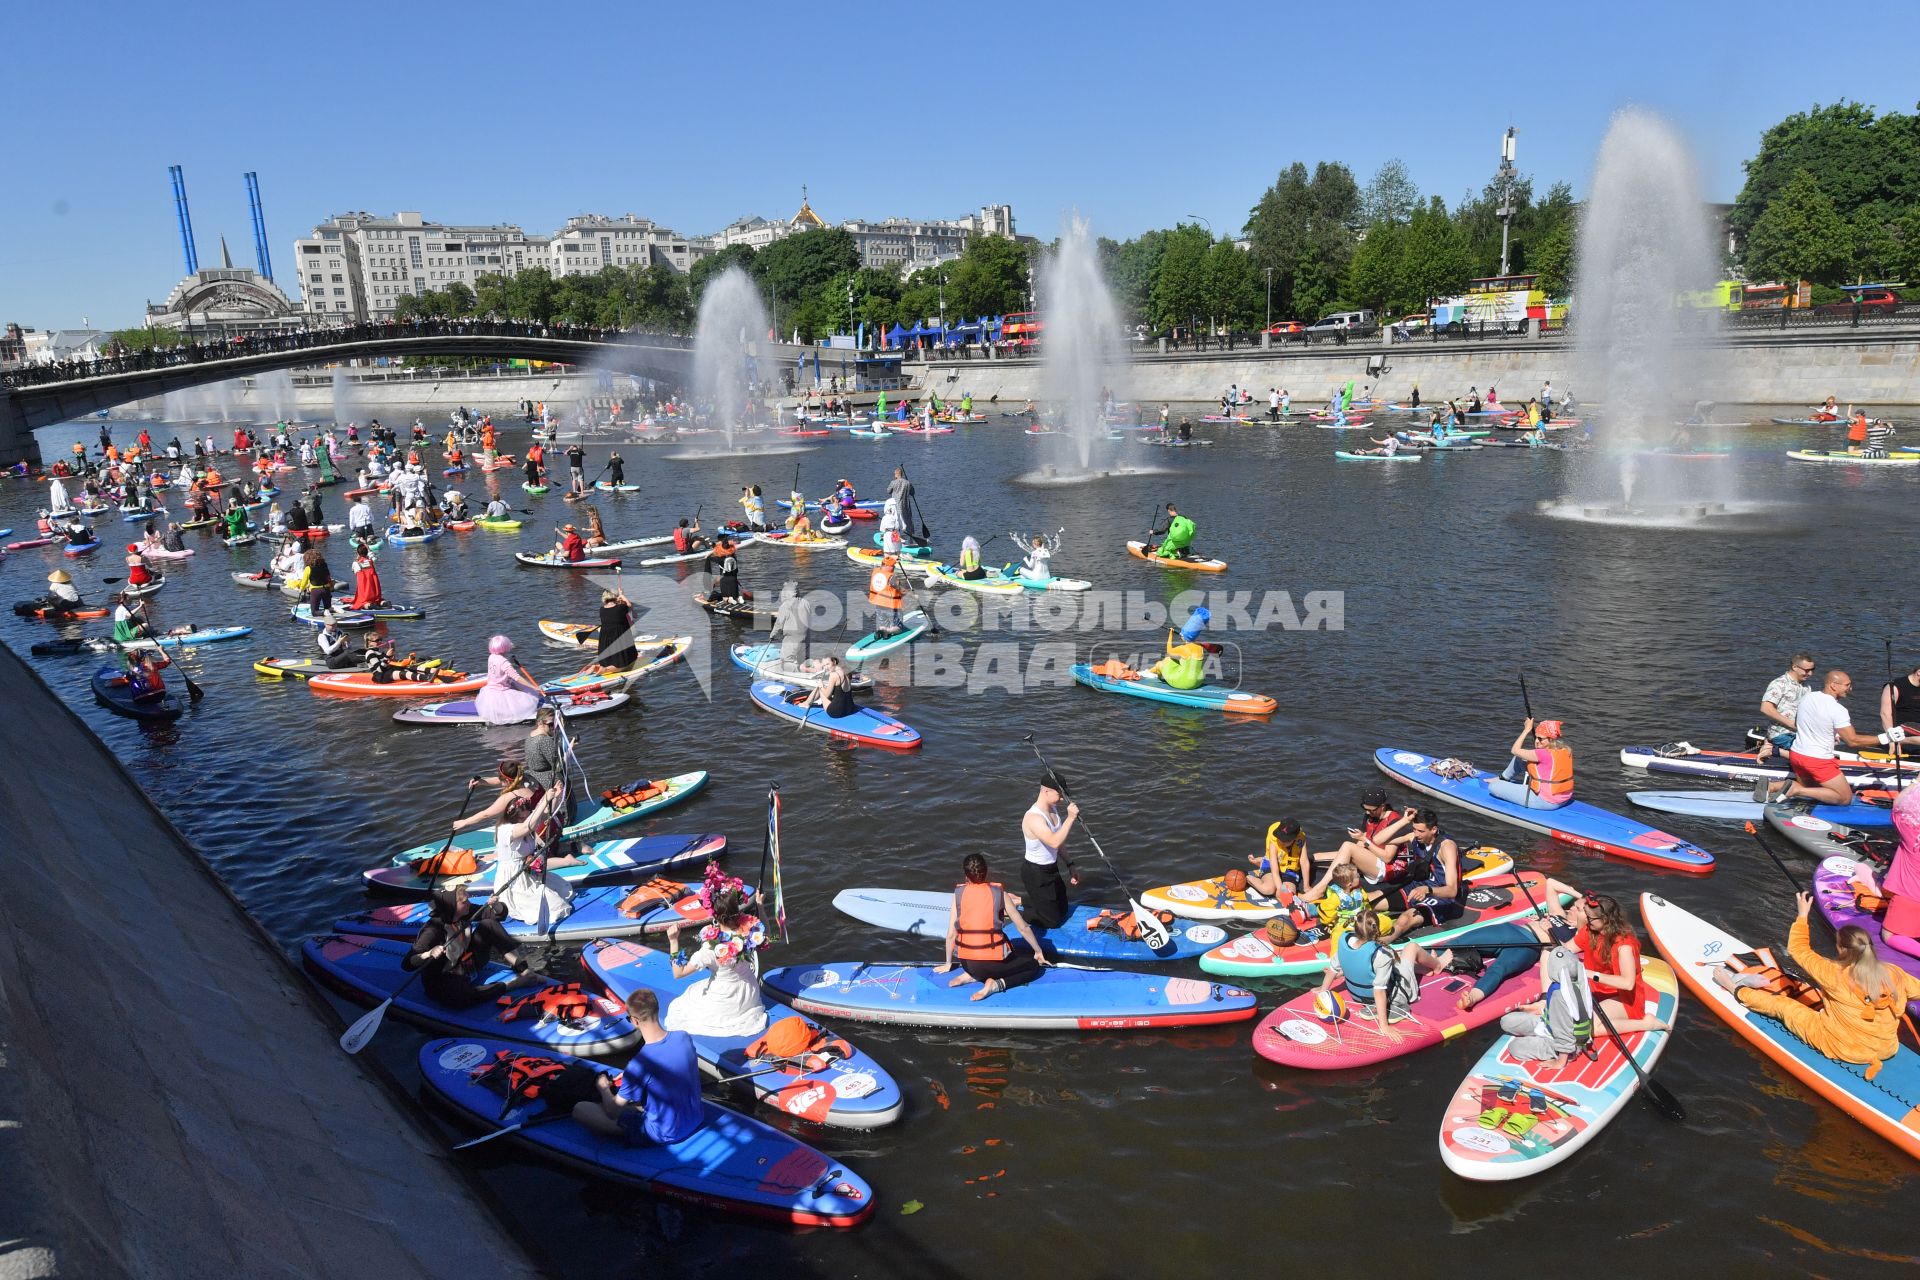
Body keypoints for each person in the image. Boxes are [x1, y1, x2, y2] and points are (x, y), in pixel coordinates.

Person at [1712, 892, 1920, 1073]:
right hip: (1887, 1048)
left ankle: (1734, 988)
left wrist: (1803, 915)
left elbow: (1798, 950)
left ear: (1841, 950)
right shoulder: (1894, 973)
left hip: (1843, 1048)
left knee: (1784, 1006)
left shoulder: (1833, 973)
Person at [573, 987, 706, 1145]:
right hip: (696, 1117)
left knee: (580, 1109)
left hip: (663, 1133)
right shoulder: (683, 1037)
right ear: (656, 1010)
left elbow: (612, 1111)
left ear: (634, 1021)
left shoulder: (639, 1064)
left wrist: (603, 1089)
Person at [1759, 669, 1905, 808]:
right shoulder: (1838, 710)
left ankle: (1771, 786)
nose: (1850, 688)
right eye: (1847, 685)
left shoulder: (1808, 697)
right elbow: (1852, 741)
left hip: (1797, 754)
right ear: (1833, 685)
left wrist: (1831, 732)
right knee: (1844, 798)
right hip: (1818, 760)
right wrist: (1886, 737)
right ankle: (1794, 790)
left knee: (1812, 789)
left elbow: (1799, 723)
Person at [1317, 907, 1454, 1042]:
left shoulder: (1344, 940)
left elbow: (1333, 969)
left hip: (1357, 996)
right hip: (1393, 994)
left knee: (1398, 956)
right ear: (1377, 929)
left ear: (1356, 928)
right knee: (1411, 947)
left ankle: (1419, 968)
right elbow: (1379, 992)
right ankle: (1437, 965)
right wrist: (1384, 1026)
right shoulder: (1380, 954)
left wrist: (1323, 991)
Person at [660, 869, 769, 1038]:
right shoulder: (750, 931)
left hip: (727, 1000)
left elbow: (678, 973)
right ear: (737, 910)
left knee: (687, 1002)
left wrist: (673, 941)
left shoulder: (711, 948)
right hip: (750, 993)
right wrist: (760, 906)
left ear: (715, 915)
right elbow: (766, 933)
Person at [935, 853, 1053, 1001]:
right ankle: (995, 985)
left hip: (965, 962)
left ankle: (971, 975)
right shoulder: (1000, 894)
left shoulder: (959, 894)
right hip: (988, 964)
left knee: (986, 961)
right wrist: (1038, 951)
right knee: (1032, 966)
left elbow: (951, 934)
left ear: (966, 876)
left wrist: (947, 964)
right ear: (986, 872)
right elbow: (1023, 927)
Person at [1577, 893, 1669, 1034]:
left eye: (1591, 918)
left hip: (1625, 998)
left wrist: (1590, 974)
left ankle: (1646, 1024)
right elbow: (1568, 947)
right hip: (1597, 991)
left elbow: (1628, 983)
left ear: (1606, 919)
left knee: (1589, 1028)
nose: (1587, 920)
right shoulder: (1591, 931)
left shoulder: (1624, 946)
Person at [489, 786, 575, 929]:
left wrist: (555, 797)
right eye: (521, 817)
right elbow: (526, 827)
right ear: (513, 817)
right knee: (555, 905)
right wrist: (545, 799)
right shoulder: (505, 830)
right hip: (514, 879)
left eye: (526, 816)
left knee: (563, 889)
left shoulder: (526, 821)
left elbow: (545, 814)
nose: (524, 819)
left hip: (528, 873)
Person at [1379, 809, 1462, 941]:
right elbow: (1378, 840)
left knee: (1405, 920)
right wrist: (1404, 821)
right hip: (1418, 886)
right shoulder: (1414, 837)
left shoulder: (1447, 847)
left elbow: (1452, 890)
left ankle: (1375, 946)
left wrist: (1427, 890)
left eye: (1421, 831)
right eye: (1414, 829)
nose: (1416, 834)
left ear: (1433, 829)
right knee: (1370, 900)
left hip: (1440, 896)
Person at [1020, 772, 1081, 930]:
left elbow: (1060, 842)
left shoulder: (1053, 810)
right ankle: (1010, 909)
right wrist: (1070, 818)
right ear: (1046, 791)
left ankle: (1022, 900)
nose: (1062, 799)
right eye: (1059, 795)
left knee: (1063, 910)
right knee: (1051, 922)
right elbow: (1054, 842)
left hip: (1051, 869)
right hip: (1036, 873)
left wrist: (1070, 864)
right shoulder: (1034, 818)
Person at [1486, 718, 1575, 809]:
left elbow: (1514, 750)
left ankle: (1500, 782)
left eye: (1540, 739)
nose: (1536, 741)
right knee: (1520, 758)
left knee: (1493, 786)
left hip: (1545, 801)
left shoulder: (1543, 754)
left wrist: (1526, 730)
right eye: (1536, 737)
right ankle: (1503, 778)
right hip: (1564, 799)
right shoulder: (1566, 750)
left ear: (1551, 739)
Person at [475, 635, 543, 725]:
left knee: (518, 686)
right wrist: (534, 687)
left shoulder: (491, 656)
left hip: (490, 690)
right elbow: (518, 678)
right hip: (501, 691)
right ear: (505, 647)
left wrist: (508, 659)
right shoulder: (505, 663)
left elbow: (499, 664)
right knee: (531, 698)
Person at [1760, 652, 1816, 749]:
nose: (1810, 674)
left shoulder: (1806, 687)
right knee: (1810, 752)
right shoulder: (1779, 684)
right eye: (1807, 670)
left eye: (1812, 670)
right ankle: (1770, 750)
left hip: (1799, 733)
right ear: (1794, 667)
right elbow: (1766, 708)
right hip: (1780, 734)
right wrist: (1791, 724)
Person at [585, 587, 637, 674]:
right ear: (615, 597)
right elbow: (631, 608)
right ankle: (604, 670)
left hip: (605, 639)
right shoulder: (622, 608)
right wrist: (622, 596)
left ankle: (596, 667)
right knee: (624, 664)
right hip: (619, 638)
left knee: (610, 661)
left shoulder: (602, 610)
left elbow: (616, 610)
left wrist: (619, 597)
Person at [866, 549, 906, 637]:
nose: (894, 568)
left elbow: (887, 560)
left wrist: (894, 558)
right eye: (893, 566)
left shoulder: (875, 571)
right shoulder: (892, 578)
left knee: (882, 623)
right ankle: (888, 631)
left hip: (878, 605)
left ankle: (881, 631)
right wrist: (911, 594)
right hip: (891, 606)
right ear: (889, 566)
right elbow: (902, 591)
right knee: (898, 628)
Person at [706, 536, 744, 602]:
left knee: (725, 598)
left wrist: (710, 554)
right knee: (735, 595)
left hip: (724, 579)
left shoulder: (719, 559)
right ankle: (737, 598)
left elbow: (708, 557)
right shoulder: (734, 557)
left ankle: (729, 599)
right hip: (734, 579)